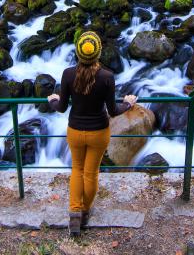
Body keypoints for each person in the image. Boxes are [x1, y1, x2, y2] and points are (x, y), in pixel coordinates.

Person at [47, 31, 138, 236]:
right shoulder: (106, 77)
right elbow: (113, 111)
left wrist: (52, 100)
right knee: (91, 173)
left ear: (79, 54)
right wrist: (128, 104)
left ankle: (74, 214)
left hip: (75, 131)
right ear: (98, 54)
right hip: (98, 132)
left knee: (77, 170)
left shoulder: (68, 74)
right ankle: (85, 211)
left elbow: (61, 107)